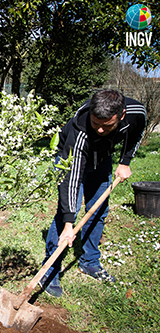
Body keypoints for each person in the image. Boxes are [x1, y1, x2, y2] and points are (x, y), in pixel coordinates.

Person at [39, 89, 146, 297]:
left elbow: (135, 133)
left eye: (106, 125)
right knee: (65, 214)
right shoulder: (80, 131)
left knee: (98, 210)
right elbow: (71, 180)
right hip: (70, 159)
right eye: (95, 123)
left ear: (121, 115)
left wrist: (125, 162)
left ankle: (89, 262)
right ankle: (50, 272)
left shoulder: (136, 113)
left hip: (102, 159)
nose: (99, 130)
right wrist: (70, 224)